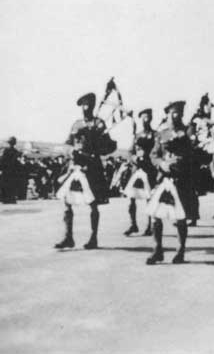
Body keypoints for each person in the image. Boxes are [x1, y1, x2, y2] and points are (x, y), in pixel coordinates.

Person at [54, 92, 116, 250]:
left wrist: (98, 147)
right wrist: (70, 151)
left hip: (91, 167)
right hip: (75, 165)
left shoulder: (99, 124)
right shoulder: (76, 124)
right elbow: (68, 142)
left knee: (93, 203)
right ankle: (68, 237)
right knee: (67, 201)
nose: (84, 108)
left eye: (87, 104)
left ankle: (93, 237)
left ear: (93, 106)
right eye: (82, 105)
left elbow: (109, 146)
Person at [146, 101, 196, 264]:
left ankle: (180, 251)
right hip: (163, 179)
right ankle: (157, 250)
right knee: (155, 215)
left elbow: (191, 155)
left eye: (178, 113)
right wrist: (161, 163)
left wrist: (176, 163)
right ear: (167, 114)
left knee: (179, 217)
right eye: (172, 113)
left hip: (179, 179)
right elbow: (154, 155)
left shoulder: (187, 133)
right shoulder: (161, 134)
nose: (175, 116)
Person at [124, 108, 157, 236]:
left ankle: (150, 226)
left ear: (151, 118)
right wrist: (134, 158)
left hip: (149, 170)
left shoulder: (155, 135)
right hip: (137, 170)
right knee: (131, 198)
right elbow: (130, 152)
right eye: (143, 117)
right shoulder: (137, 135)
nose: (145, 120)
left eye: (147, 117)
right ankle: (133, 225)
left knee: (149, 198)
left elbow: (157, 152)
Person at [0, 136, 20, 204]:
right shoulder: (16, 152)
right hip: (13, 171)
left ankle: (5, 199)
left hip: (6, 170)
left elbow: (2, 160)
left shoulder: (5, 150)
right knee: (12, 185)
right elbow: (17, 163)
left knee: (5, 184)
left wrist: (1, 169)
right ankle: (12, 198)